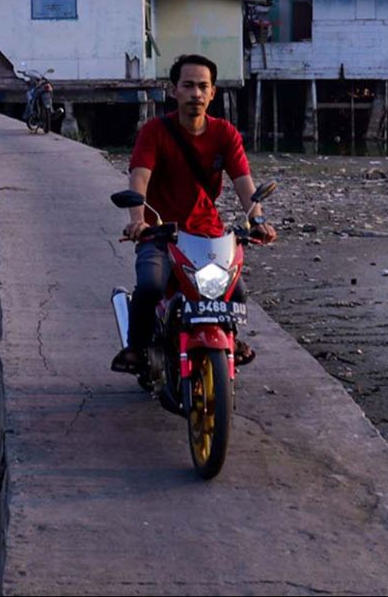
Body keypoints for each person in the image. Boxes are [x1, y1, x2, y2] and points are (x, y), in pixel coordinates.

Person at [110, 53, 276, 375]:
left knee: (235, 289)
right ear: (175, 90)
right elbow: (139, 176)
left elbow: (244, 183)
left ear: (213, 92)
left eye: (203, 86)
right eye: (188, 86)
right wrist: (137, 220)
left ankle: (229, 339)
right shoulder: (155, 132)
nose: (196, 94)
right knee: (150, 285)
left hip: (207, 234)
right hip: (160, 231)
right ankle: (137, 347)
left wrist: (256, 221)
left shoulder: (224, 134)